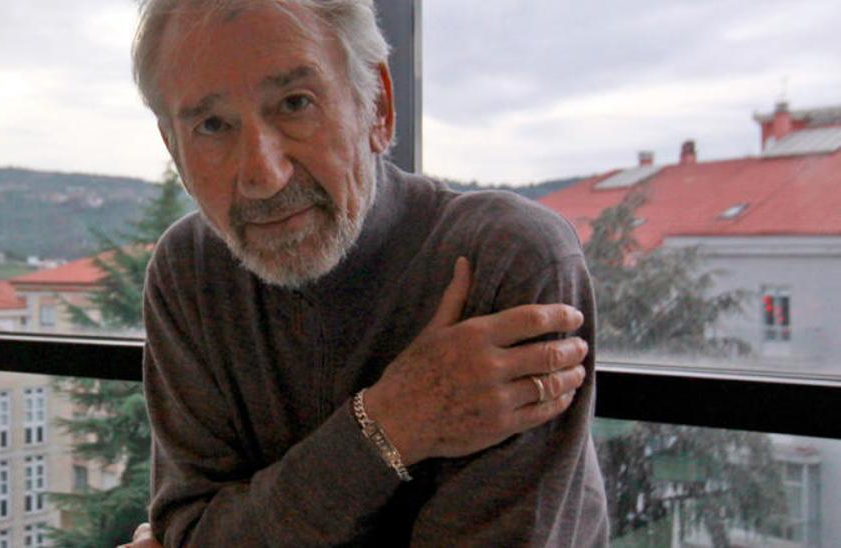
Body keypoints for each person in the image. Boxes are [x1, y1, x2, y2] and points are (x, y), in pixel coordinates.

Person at [125, 0, 609, 545]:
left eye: (294, 103)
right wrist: (389, 424)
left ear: (376, 108)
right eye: (212, 125)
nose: (263, 172)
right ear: (175, 151)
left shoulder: (504, 259)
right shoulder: (189, 273)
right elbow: (190, 533)